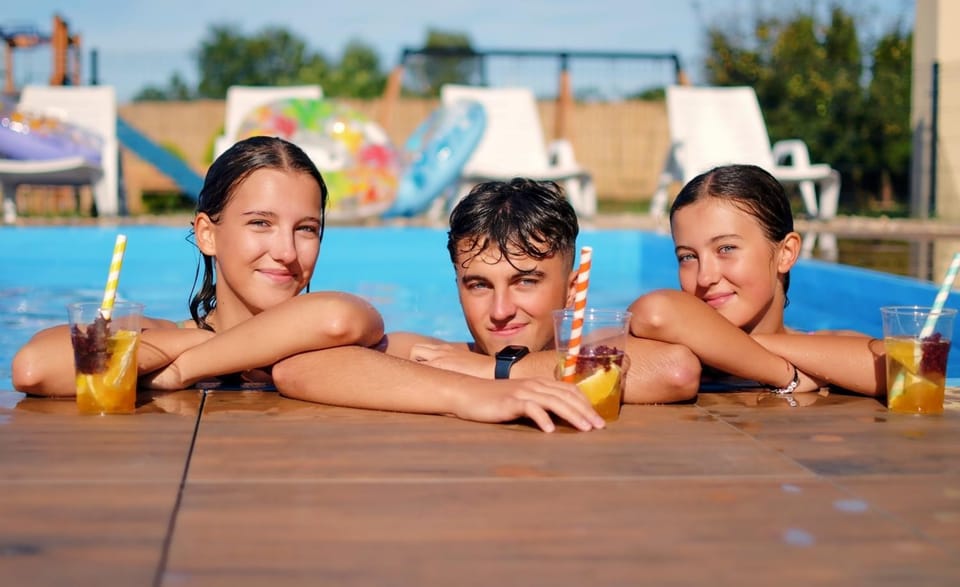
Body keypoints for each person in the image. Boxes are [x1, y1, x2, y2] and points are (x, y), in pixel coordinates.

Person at [272, 179, 701, 426]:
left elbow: (675, 371)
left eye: (525, 282)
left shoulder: (597, 350)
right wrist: (468, 393)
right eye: (478, 285)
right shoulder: (437, 357)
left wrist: (494, 370)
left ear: (572, 290)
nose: (499, 311)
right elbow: (298, 366)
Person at [11, 136, 384, 395]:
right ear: (207, 234)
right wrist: (205, 342)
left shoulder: (330, 343)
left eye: (306, 229)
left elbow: (339, 317)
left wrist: (185, 365)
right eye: (260, 223)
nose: (286, 251)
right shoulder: (168, 335)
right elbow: (34, 367)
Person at [627, 164, 885, 397]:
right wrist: (784, 374)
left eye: (726, 248)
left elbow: (903, 369)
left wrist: (737, 347)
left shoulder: (822, 343)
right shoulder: (661, 344)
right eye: (687, 257)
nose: (705, 276)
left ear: (785, 253)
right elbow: (655, 311)